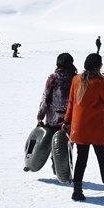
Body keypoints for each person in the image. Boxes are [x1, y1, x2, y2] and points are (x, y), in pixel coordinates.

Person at [63, 53, 104, 201]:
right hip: (96, 127)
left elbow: (71, 103)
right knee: (102, 158)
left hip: (79, 127)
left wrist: (67, 121)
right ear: (98, 66)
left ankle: (77, 190)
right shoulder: (99, 81)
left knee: (81, 158)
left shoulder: (76, 79)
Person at [38, 53, 77, 183]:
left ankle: (58, 168)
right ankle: (65, 171)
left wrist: (40, 116)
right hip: (70, 119)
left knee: (55, 144)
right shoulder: (76, 78)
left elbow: (45, 98)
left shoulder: (53, 78)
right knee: (67, 145)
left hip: (53, 118)